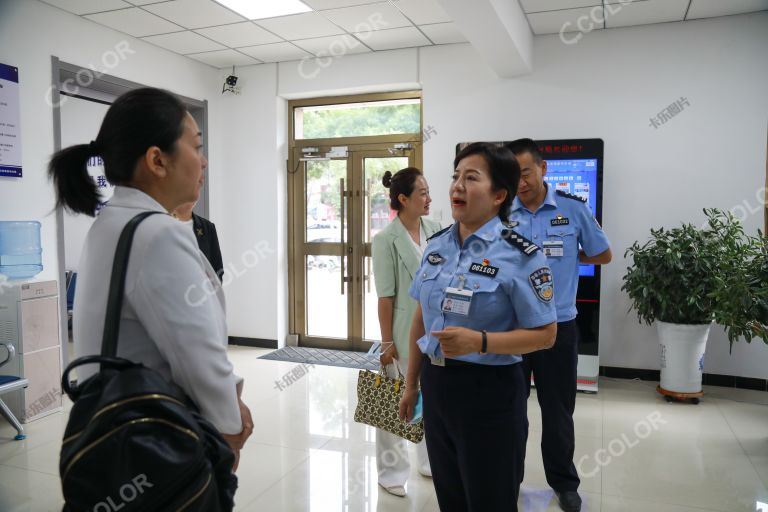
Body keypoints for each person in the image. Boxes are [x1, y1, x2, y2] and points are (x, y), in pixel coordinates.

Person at [49, 87, 253, 470]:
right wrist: (229, 426)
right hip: (161, 437)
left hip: (116, 426)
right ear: (158, 161)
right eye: (196, 146)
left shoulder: (111, 223)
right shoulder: (159, 234)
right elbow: (197, 354)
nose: (204, 161)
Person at [398, 142, 558, 511]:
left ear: (499, 194)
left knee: (490, 500)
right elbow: (420, 317)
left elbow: (546, 334)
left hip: (490, 394)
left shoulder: (521, 255)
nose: (457, 186)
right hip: (438, 390)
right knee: (450, 496)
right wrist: (411, 385)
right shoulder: (437, 247)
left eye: (471, 178)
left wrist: (480, 341)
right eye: (455, 176)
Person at [506, 138, 612, 512]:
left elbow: (604, 252)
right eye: (513, 175)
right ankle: (508, 480)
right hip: (513, 331)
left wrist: (571, 258)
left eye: (526, 173)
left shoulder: (573, 209)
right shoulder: (503, 213)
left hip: (558, 327)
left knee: (557, 411)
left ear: (543, 169)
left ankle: (564, 483)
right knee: (510, 409)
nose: (520, 182)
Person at [371, 167, 441, 497]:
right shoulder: (386, 239)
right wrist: (387, 342)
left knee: (430, 398)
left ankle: (428, 461)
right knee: (392, 403)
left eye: (428, 191)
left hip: (436, 329)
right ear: (403, 199)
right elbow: (385, 296)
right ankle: (390, 472)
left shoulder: (437, 228)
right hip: (401, 331)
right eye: (422, 193)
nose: (429, 198)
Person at [173, 201, 225, 281]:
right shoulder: (161, 224)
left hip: (202, 291)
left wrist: (210, 291)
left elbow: (217, 269)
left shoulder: (207, 227)